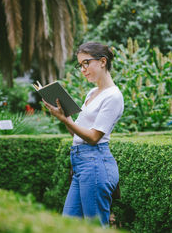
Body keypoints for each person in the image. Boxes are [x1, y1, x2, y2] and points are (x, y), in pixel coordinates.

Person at [43, 42, 124, 226]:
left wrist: (66, 120)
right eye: (80, 65)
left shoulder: (113, 96)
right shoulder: (92, 93)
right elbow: (76, 132)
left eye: (86, 63)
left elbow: (94, 137)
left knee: (95, 228)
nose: (83, 69)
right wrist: (63, 116)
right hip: (81, 164)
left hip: (95, 164)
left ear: (103, 61)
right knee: (69, 225)